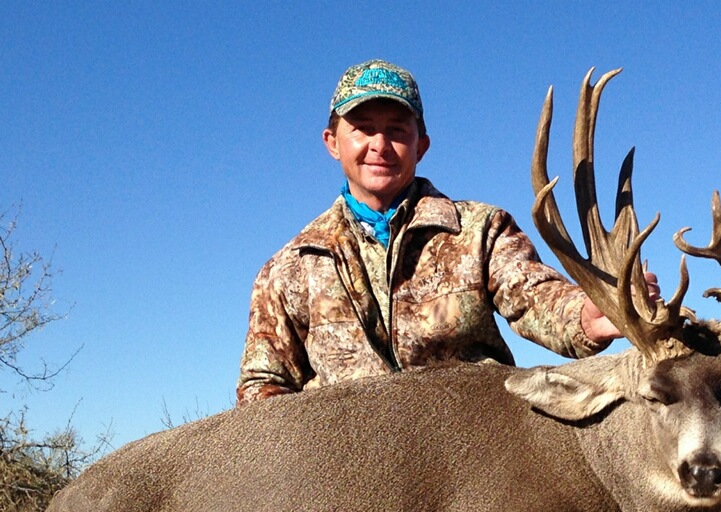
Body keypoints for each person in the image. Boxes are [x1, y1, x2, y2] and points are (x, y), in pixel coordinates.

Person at [236, 59, 650, 406]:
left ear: (421, 145)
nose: (380, 144)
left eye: (398, 130)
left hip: (475, 454)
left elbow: (534, 296)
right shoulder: (291, 268)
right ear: (332, 142)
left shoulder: (479, 230)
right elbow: (262, 387)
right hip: (350, 476)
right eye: (362, 128)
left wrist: (589, 315)